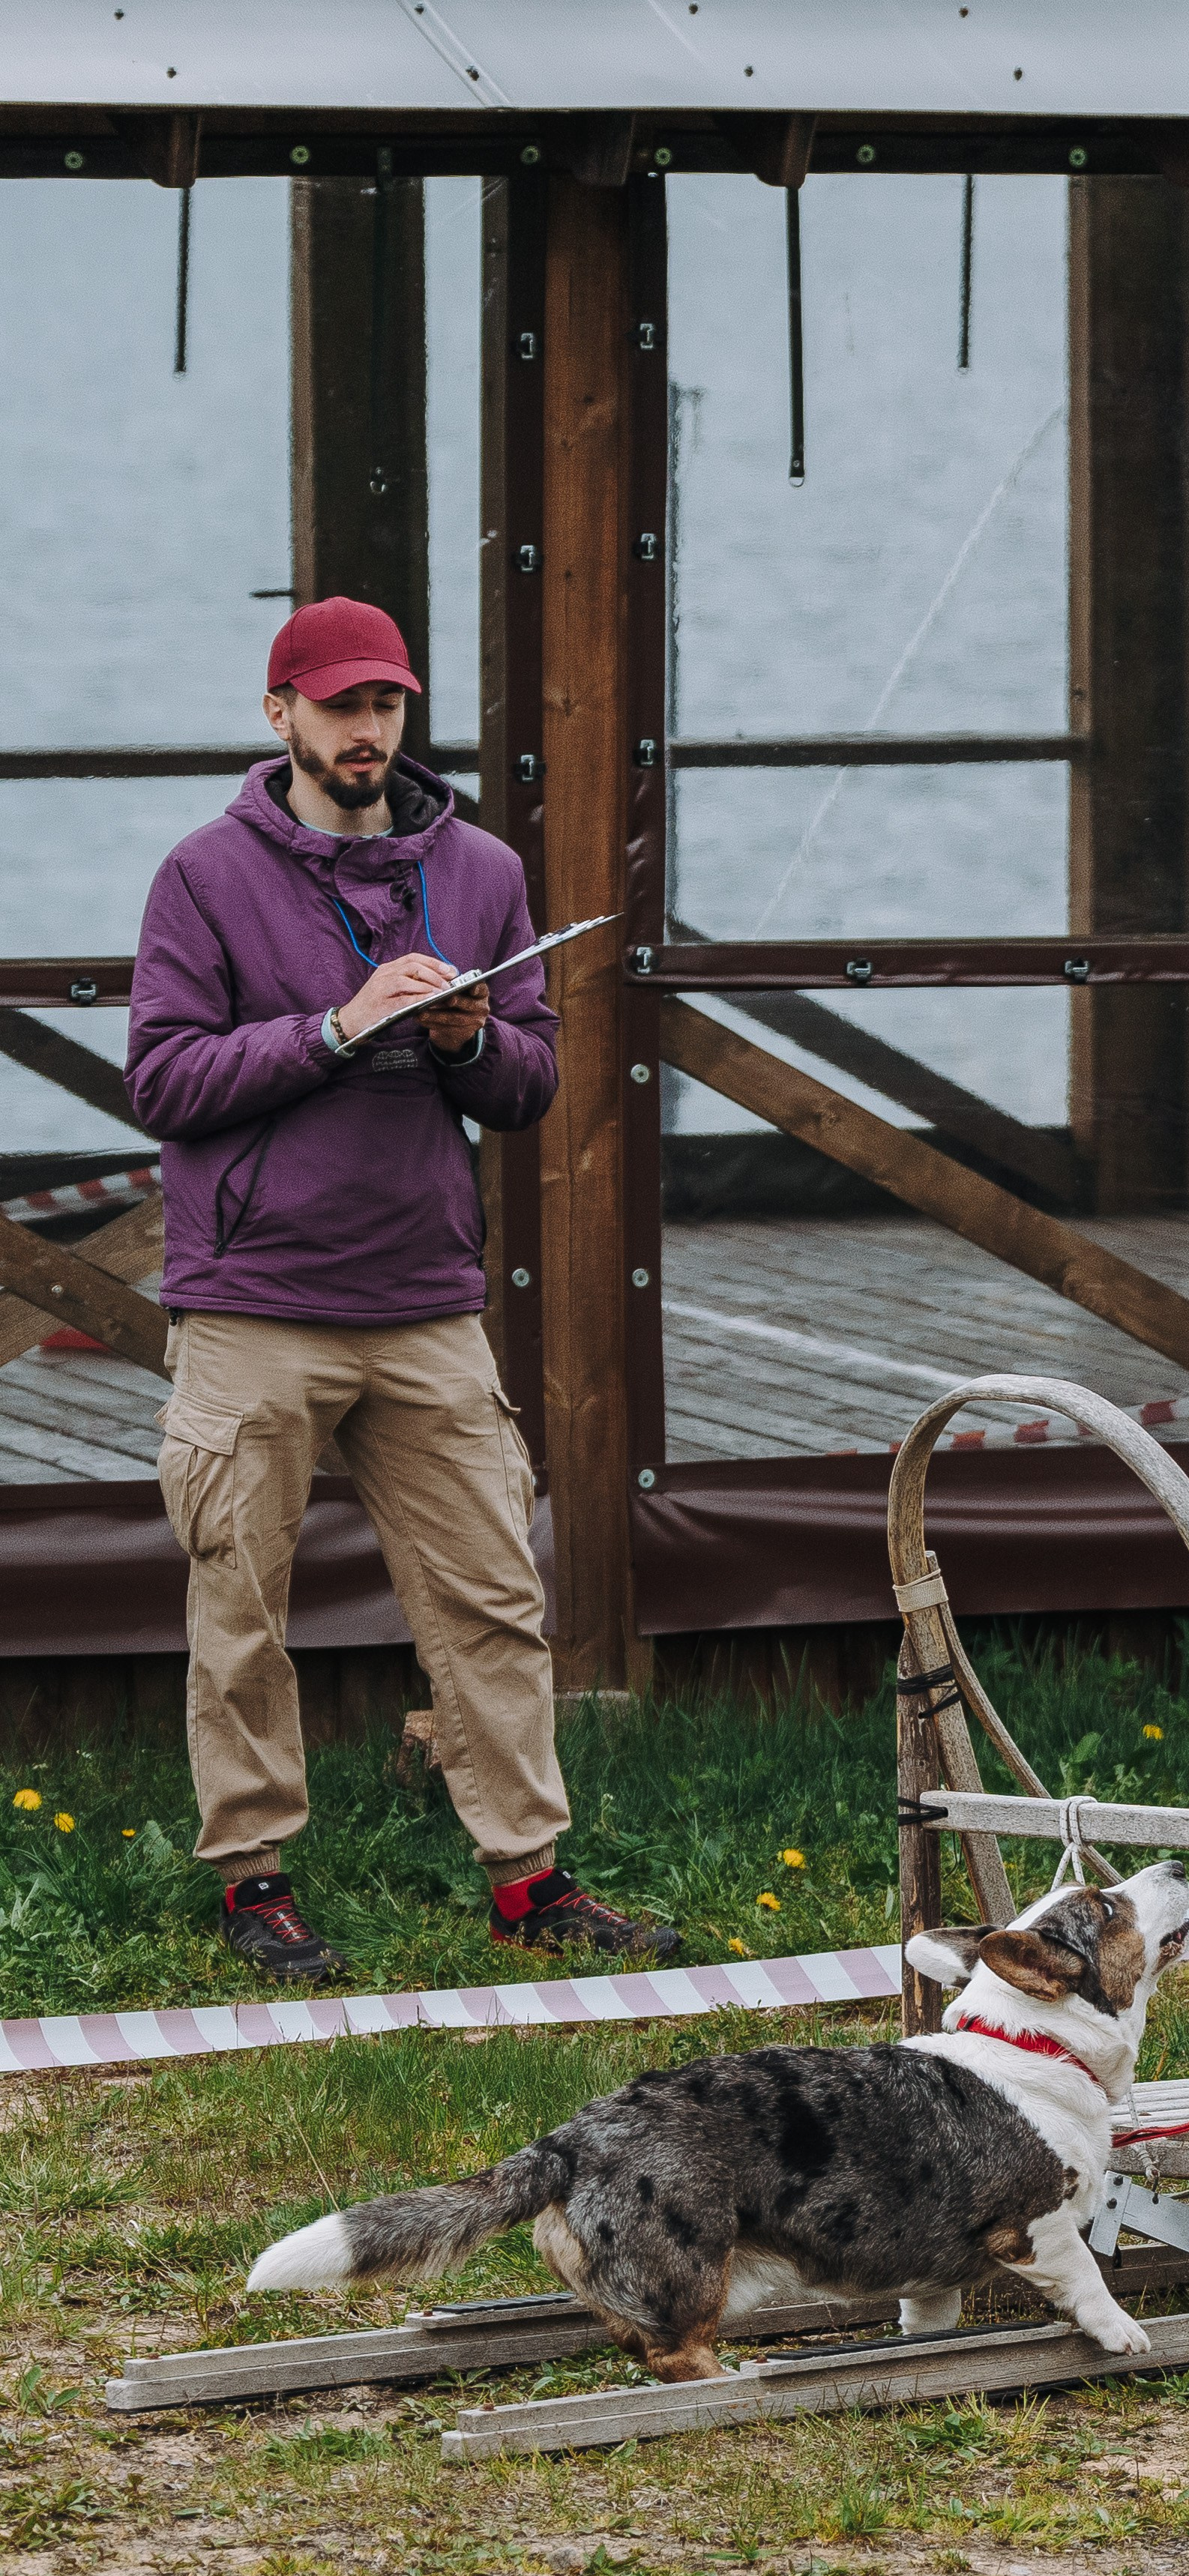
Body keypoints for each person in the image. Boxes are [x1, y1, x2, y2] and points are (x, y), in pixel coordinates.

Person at [127, 596, 677, 1983]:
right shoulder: (203, 875)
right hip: (251, 1303)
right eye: (336, 706)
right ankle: (255, 1882)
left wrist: (463, 1039)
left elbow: (532, 1085)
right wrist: (333, 1027)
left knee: (493, 1598)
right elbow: (165, 1081)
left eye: (384, 705)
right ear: (280, 716)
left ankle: (530, 1883)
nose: (364, 729)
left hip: (425, 1301)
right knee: (240, 1605)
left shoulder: (481, 868)